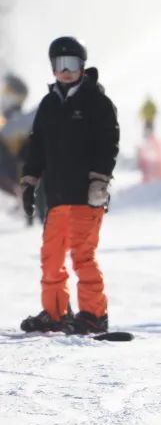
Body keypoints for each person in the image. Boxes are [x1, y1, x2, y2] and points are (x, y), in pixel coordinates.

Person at [19, 36, 119, 334]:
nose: (65, 71)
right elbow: (37, 147)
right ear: (52, 68)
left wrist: (99, 181)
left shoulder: (96, 102)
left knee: (82, 257)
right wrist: (29, 181)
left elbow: (108, 143)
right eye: (59, 65)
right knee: (50, 259)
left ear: (82, 66)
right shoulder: (49, 104)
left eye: (71, 64)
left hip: (86, 197)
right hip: (58, 196)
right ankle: (56, 313)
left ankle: (93, 315)